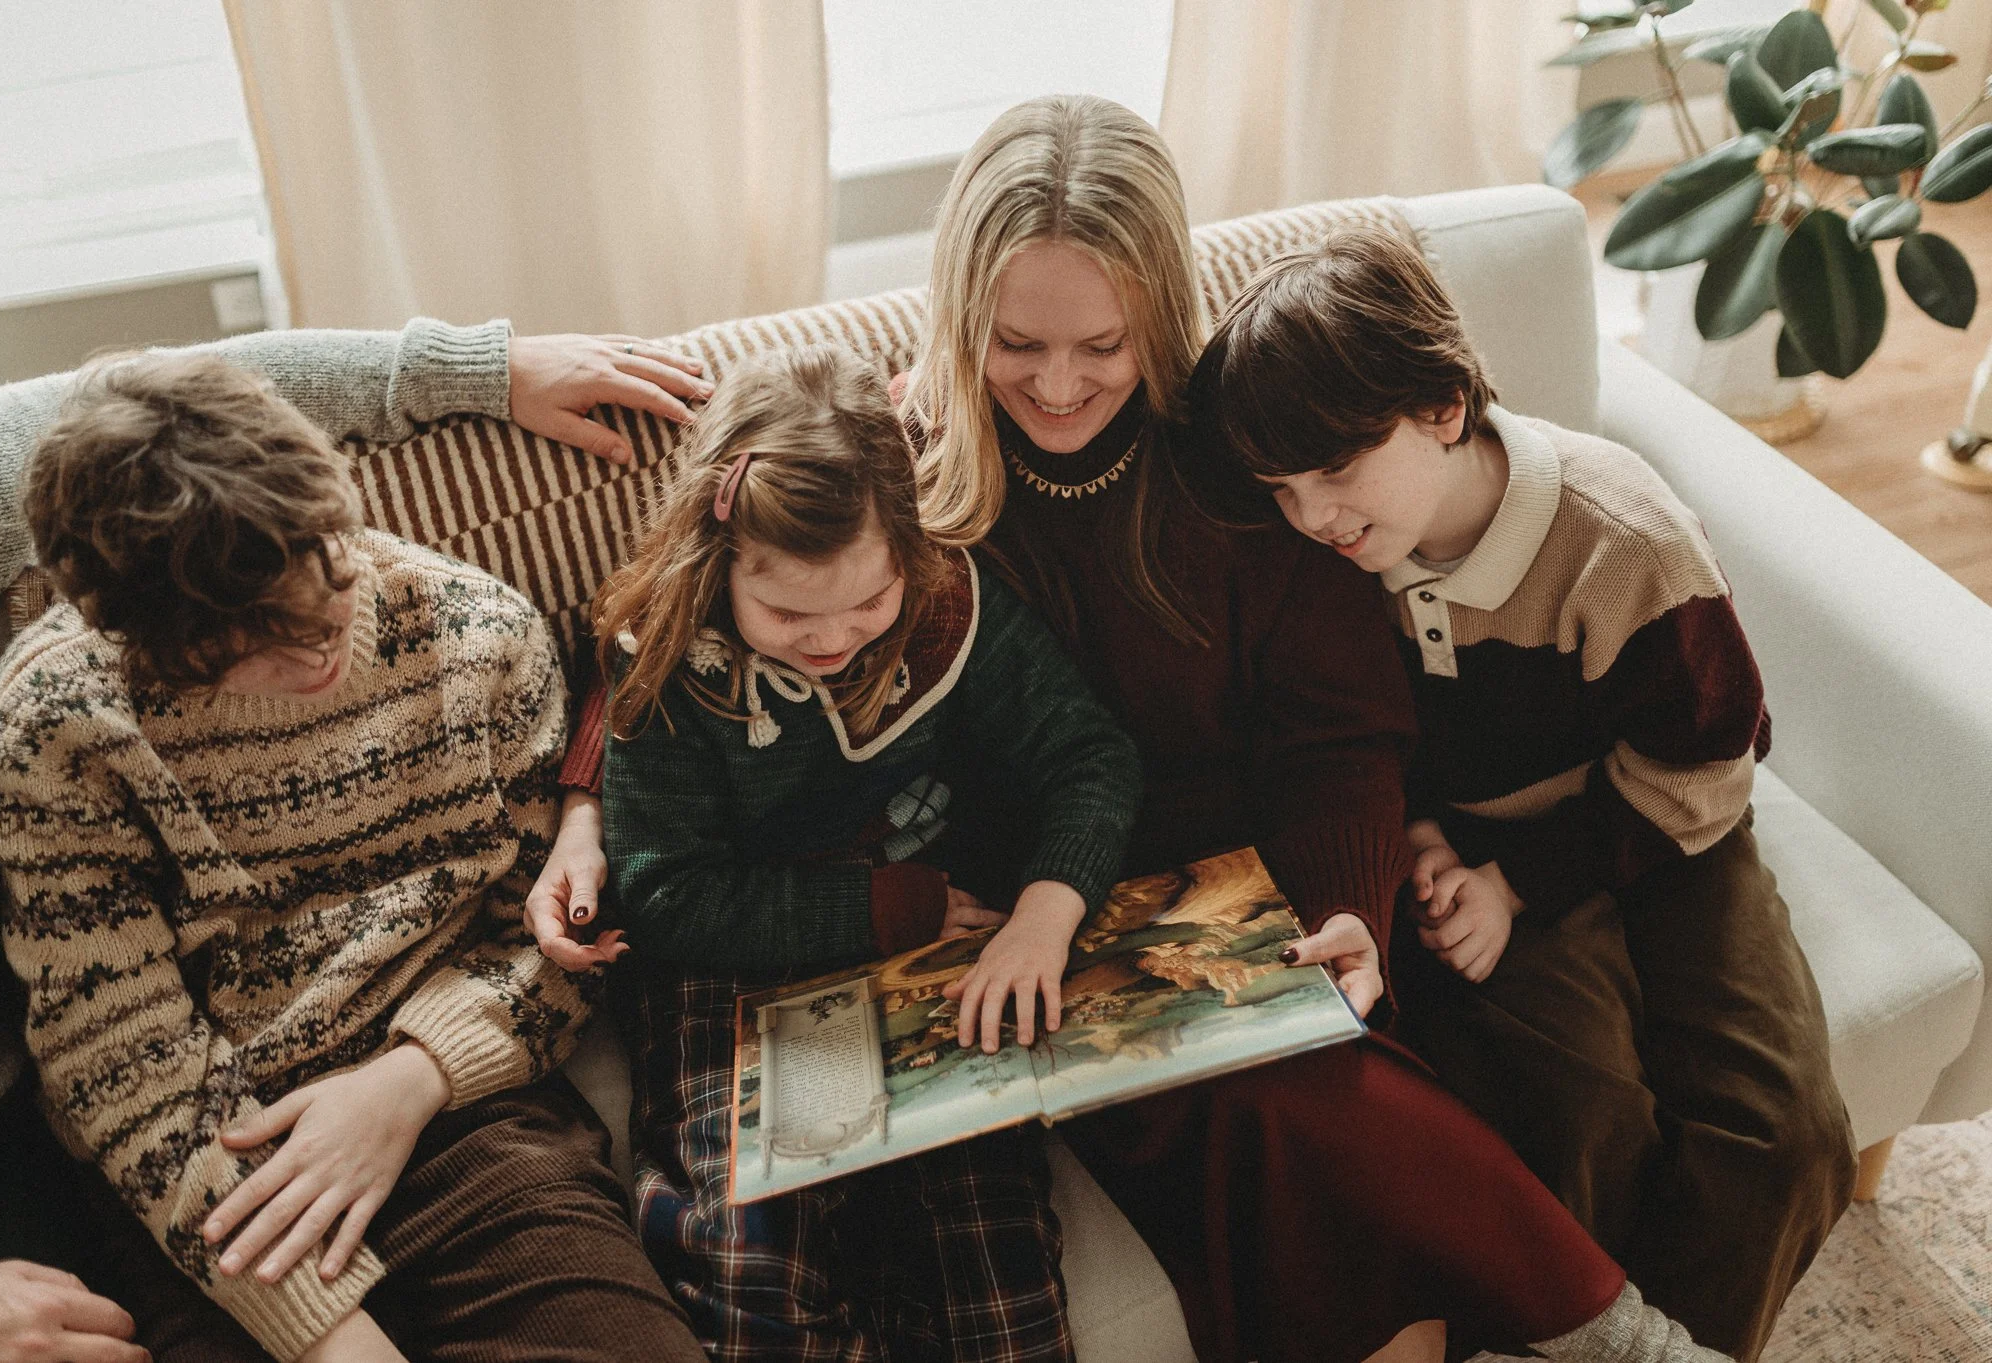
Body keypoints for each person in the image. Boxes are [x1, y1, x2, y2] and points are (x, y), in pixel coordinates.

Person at [537, 96, 1739, 1363]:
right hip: (1055, 901)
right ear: (958, 319)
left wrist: (1344, 912)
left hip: (1263, 878)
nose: (1059, 386)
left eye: (1102, 345)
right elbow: (684, 608)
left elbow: (1338, 735)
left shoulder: (1252, 451)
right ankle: (1622, 1341)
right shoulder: (900, 457)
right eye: (1015, 344)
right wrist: (582, 807)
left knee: (1338, 1085)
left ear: (1158, 312)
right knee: (1269, 1112)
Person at [0, 319, 708, 1361]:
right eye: (249, 643)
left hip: (463, 1124)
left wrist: (414, 1078)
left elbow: (560, 941)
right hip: (210, 1169)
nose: (318, 649)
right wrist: (323, 1332)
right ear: (131, 636)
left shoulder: (475, 635)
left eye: (329, 587)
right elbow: (115, 1051)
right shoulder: (55, 726)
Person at [1182, 226, 1855, 1360]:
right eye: (1279, 489)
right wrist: (1418, 838)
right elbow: (1324, 739)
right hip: (1469, 851)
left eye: (1335, 471)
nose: (1311, 517)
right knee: (1577, 1114)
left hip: (1662, 830)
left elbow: (1704, 763)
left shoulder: (1622, 538)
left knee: (1780, 1133)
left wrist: (1518, 880)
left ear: (1442, 407)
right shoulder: (1320, 560)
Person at [573, 342, 1141, 1361]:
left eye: (866, 602)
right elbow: (663, 892)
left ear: (909, 554)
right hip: (731, 974)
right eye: (788, 612)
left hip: (926, 957)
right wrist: (883, 906)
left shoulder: (949, 602)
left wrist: (1047, 910)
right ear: (720, 565)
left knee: (989, 1257)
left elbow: (1087, 756)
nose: (833, 638)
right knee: (751, 1263)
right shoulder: (666, 659)